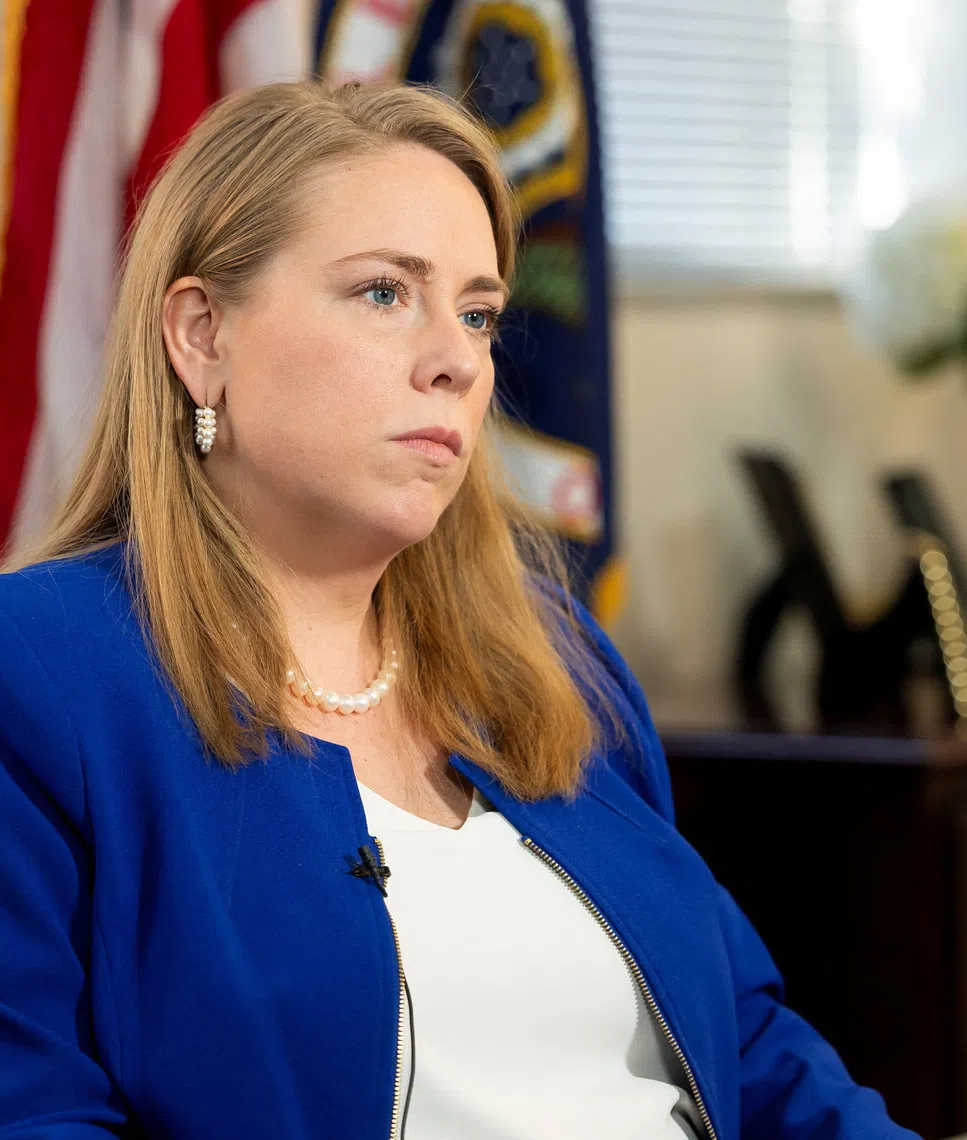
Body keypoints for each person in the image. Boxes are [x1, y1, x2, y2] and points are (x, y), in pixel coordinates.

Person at [0, 80, 920, 1140]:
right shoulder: (42, 676)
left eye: (478, 312)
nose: (458, 359)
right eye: (386, 293)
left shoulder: (550, 654)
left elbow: (749, 1044)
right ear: (202, 334)